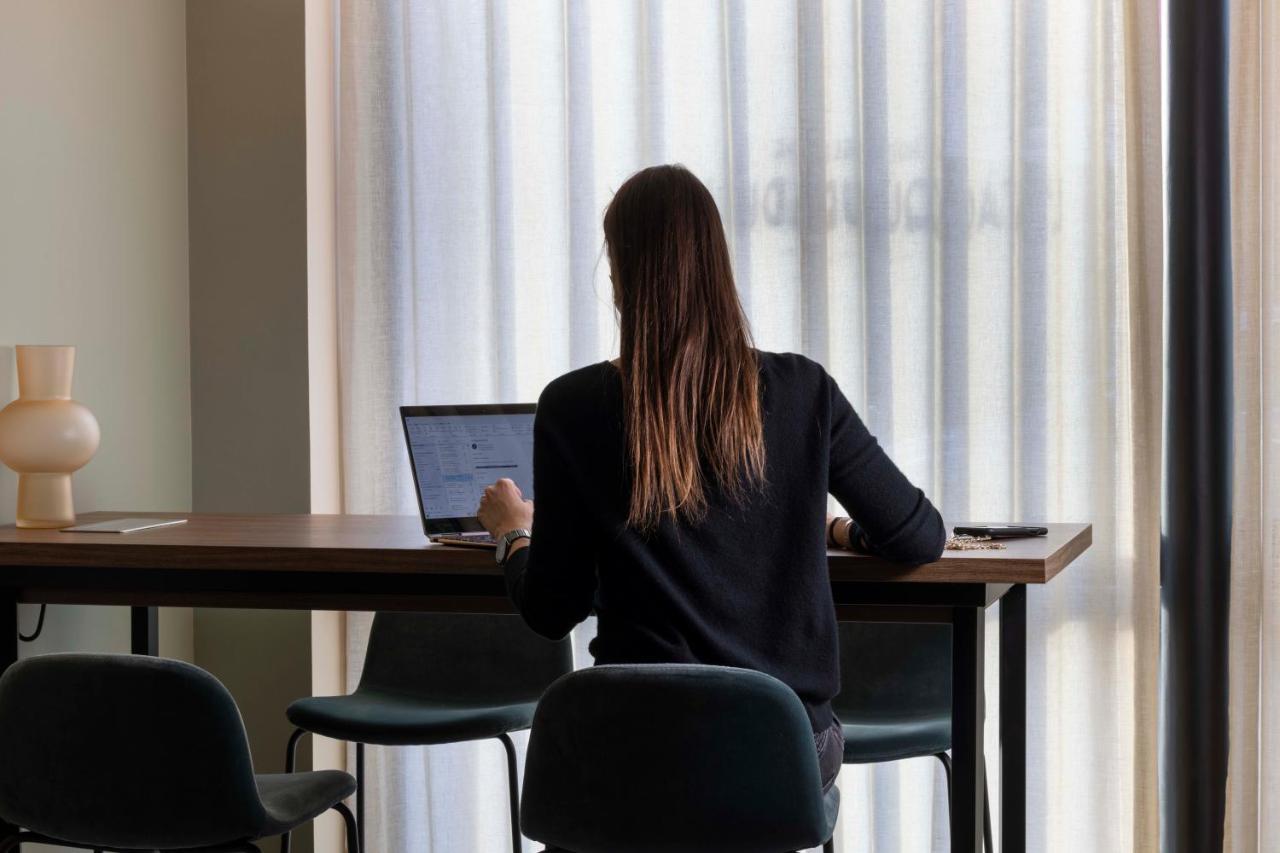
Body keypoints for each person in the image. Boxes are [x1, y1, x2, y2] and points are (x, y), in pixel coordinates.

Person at [476, 164, 945, 792]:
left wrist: (512, 533)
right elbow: (919, 538)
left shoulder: (572, 406)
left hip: (634, 748)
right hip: (783, 755)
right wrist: (840, 530)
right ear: (717, 267)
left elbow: (552, 608)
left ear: (620, 276)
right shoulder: (804, 391)